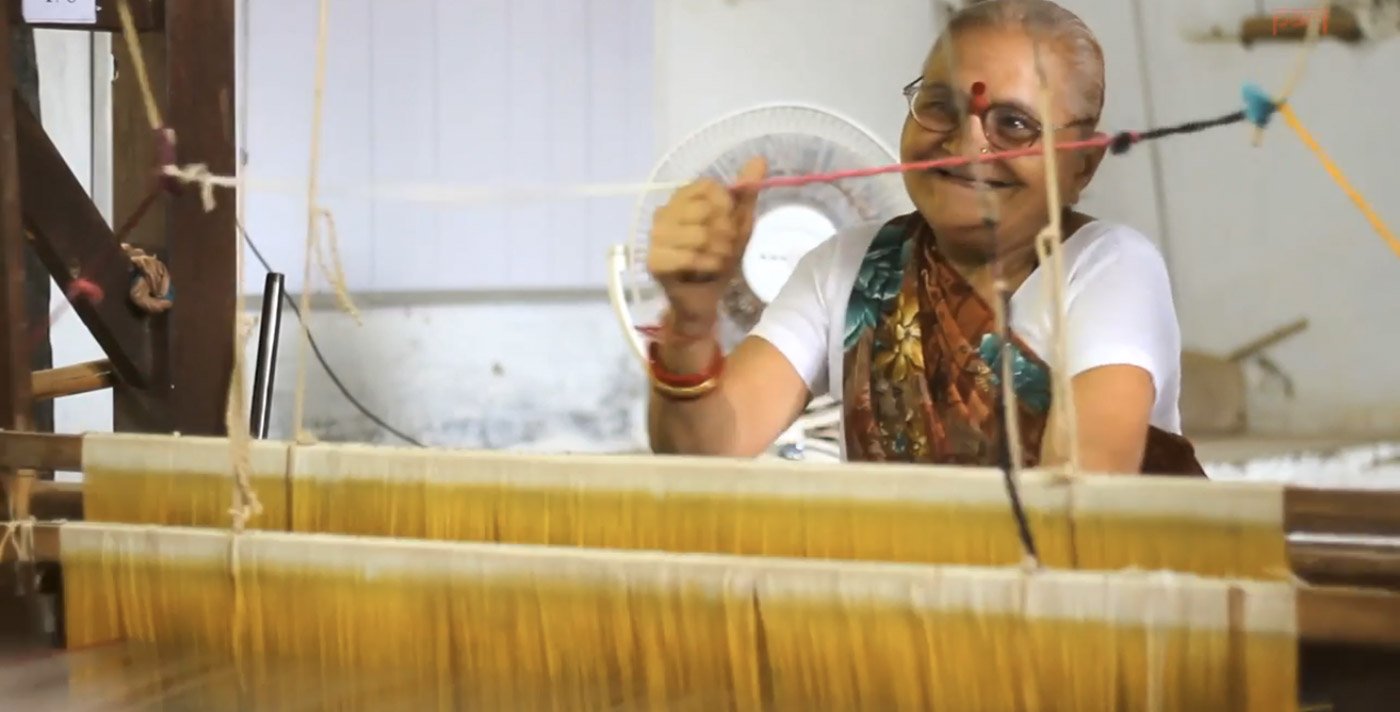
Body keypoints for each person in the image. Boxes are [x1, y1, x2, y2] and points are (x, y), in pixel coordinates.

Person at [644, 0, 1203, 475]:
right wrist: (691, 322)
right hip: (907, 594)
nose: (966, 144)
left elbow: (1084, 486)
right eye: (940, 107)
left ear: (1082, 165)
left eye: (1013, 124)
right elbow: (703, 451)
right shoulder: (844, 268)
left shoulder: (1109, 269)